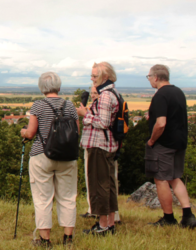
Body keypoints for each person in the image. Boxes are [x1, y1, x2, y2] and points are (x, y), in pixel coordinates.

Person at [21, 72, 79, 247]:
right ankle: (68, 238)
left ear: (42, 88)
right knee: (68, 197)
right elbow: (76, 132)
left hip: (42, 155)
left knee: (42, 197)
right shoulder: (70, 106)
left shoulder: (38, 105)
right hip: (68, 156)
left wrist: (22, 132)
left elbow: (30, 133)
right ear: (59, 87)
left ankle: (45, 240)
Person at [145, 64, 196, 228]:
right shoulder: (178, 92)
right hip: (179, 142)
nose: (149, 80)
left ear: (155, 77)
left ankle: (168, 219)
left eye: (149, 77)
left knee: (161, 179)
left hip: (164, 143)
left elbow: (161, 123)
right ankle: (188, 215)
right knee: (175, 177)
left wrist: (152, 141)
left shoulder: (160, 95)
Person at [76, 62, 120, 235]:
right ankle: (109, 223)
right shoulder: (112, 93)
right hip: (107, 145)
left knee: (99, 185)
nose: (92, 78)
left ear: (105, 77)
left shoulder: (105, 96)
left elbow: (103, 122)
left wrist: (84, 114)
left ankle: (102, 225)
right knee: (108, 184)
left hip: (99, 145)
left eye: (95, 76)